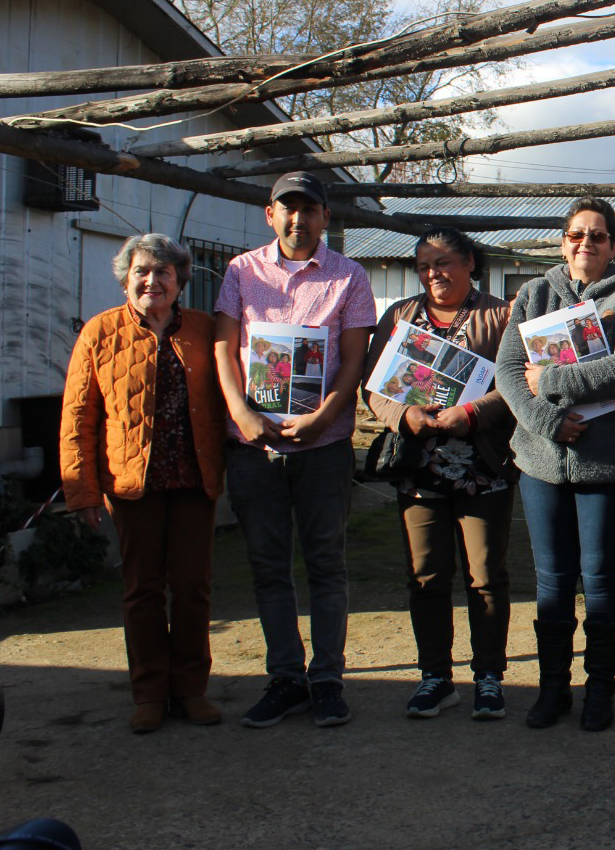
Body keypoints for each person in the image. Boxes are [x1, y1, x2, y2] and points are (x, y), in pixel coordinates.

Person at [214, 170, 377, 729]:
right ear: (270, 214)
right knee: (268, 566)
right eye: (287, 208)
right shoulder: (240, 271)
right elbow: (224, 346)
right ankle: (285, 677)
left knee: (327, 564)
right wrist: (240, 412)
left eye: (309, 209)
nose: (298, 219)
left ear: (326, 218)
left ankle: (327, 678)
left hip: (324, 445)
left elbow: (353, 361)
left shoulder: (349, 277)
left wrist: (325, 417)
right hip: (252, 445)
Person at [497, 197, 615, 732]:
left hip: (607, 465)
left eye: (598, 236)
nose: (585, 244)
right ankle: (552, 688)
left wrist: (556, 382)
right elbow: (508, 371)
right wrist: (545, 421)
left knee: (601, 579)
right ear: (562, 241)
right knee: (552, 582)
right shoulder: (533, 294)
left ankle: (600, 689)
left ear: (613, 244)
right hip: (542, 464)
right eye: (575, 235)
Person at [60, 234, 226, 734]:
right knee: (142, 588)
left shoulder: (205, 329)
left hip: (195, 478)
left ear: (180, 281)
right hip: (132, 483)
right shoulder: (100, 332)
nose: (153, 281)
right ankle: (150, 691)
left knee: (193, 587)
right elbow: (77, 415)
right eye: (142, 272)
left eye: (164, 273)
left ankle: (191, 689)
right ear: (126, 278)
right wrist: (83, 491)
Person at [363, 227, 517, 721]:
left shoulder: (500, 315)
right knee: (426, 576)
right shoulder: (400, 318)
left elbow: (515, 382)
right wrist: (401, 417)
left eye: (445, 261)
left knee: (486, 577)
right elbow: (374, 386)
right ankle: (435, 678)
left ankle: (489, 678)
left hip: (483, 468)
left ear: (470, 261)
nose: (435, 273)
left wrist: (472, 414)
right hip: (419, 470)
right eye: (425, 264)